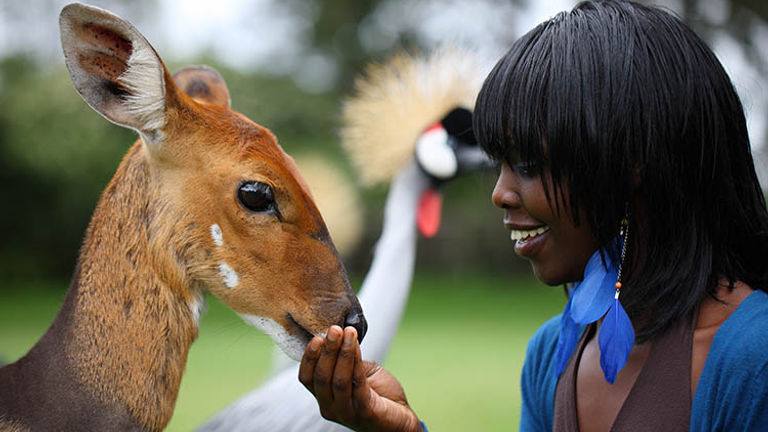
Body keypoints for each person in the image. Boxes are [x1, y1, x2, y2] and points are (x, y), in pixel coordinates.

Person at [298, 1, 768, 430]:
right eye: (499, 165)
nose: (500, 194)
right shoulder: (551, 355)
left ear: (631, 165)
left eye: (526, 165)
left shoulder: (753, 358)